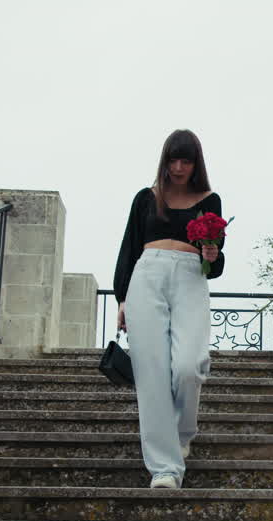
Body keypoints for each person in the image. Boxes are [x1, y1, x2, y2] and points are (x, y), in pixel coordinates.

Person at [113, 129, 225, 489]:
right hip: (146, 277)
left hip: (191, 277)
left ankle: (183, 432)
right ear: (165, 160)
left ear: (196, 163)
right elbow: (130, 247)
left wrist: (213, 254)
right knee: (152, 374)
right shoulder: (146, 198)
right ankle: (165, 469)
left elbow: (216, 265)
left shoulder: (210, 199)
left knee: (190, 366)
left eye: (186, 161)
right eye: (173, 160)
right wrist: (122, 299)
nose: (178, 168)